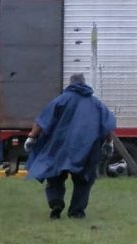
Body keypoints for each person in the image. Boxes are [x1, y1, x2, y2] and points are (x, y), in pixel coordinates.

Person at [24, 73, 116, 219]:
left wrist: (31, 137)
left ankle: (56, 202)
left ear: (71, 83)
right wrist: (109, 143)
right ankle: (76, 212)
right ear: (84, 83)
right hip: (87, 148)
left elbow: (42, 120)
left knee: (54, 175)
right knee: (83, 180)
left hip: (59, 146)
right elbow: (107, 125)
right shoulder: (96, 103)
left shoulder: (61, 100)